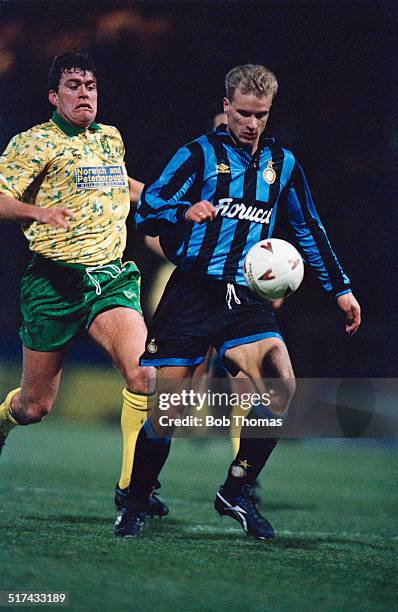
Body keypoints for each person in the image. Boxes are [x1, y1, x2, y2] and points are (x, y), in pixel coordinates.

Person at [113, 64, 361, 539]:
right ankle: (137, 498)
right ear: (226, 107)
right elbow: (147, 210)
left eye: (261, 115)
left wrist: (341, 289)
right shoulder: (197, 155)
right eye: (243, 113)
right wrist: (184, 211)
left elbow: (308, 227)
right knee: (170, 414)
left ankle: (238, 489)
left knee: (282, 385)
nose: (251, 123)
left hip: (244, 299)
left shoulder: (282, 164)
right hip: (190, 294)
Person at [0, 51, 168, 523]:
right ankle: (2, 423)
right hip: (53, 283)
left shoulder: (110, 138)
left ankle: (131, 490)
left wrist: (165, 197)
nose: (84, 94)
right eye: (73, 86)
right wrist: (37, 212)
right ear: (54, 96)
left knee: (144, 376)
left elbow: (122, 183)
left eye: (90, 86)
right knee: (35, 407)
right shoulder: (34, 143)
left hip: (109, 279)